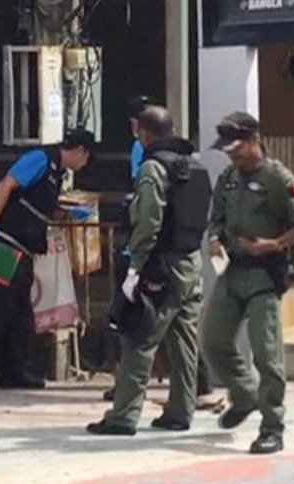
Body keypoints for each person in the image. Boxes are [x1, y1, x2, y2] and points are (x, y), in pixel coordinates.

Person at [87, 106, 211, 435]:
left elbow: (148, 222)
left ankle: (123, 416)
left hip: (160, 265)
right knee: (183, 341)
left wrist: (135, 268)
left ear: (144, 133)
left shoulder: (153, 168)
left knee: (139, 337)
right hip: (191, 262)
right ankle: (180, 411)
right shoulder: (194, 166)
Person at [202, 112, 294, 454]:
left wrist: (275, 244)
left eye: (237, 148)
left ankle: (272, 426)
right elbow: (217, 219)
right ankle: (244, 395)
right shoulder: (228, 178)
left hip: (264, 275)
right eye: (227, 150)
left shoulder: (279, 179)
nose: (232, 156)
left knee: (266, 355)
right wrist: (214, 239)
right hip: (233, 271)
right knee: (213, 340)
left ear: (255, 140)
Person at [0, 128, 95, 392]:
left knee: (20, 313)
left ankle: (14, 370)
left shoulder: (56, 172)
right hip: (2, 245)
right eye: (87, 159)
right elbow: (6, 185)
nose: (84, 165)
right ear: (80, 151)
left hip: (24, 250)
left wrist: (67, 213)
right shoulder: (40, 158)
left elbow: (38, 205)